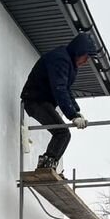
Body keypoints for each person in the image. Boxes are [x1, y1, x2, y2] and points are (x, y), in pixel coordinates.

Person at [20, 33, 99, 170]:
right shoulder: (60, 59)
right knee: (62, 133)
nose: (86, 61)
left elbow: (66, 89)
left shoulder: (69, 64)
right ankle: (46, 164)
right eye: (86, 57)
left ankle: (49, 163)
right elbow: (59, 89)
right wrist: (72, 115)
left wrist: (76, 111)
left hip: (43, 101)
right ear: (79, 51)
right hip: (34, 100)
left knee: (63, 134)